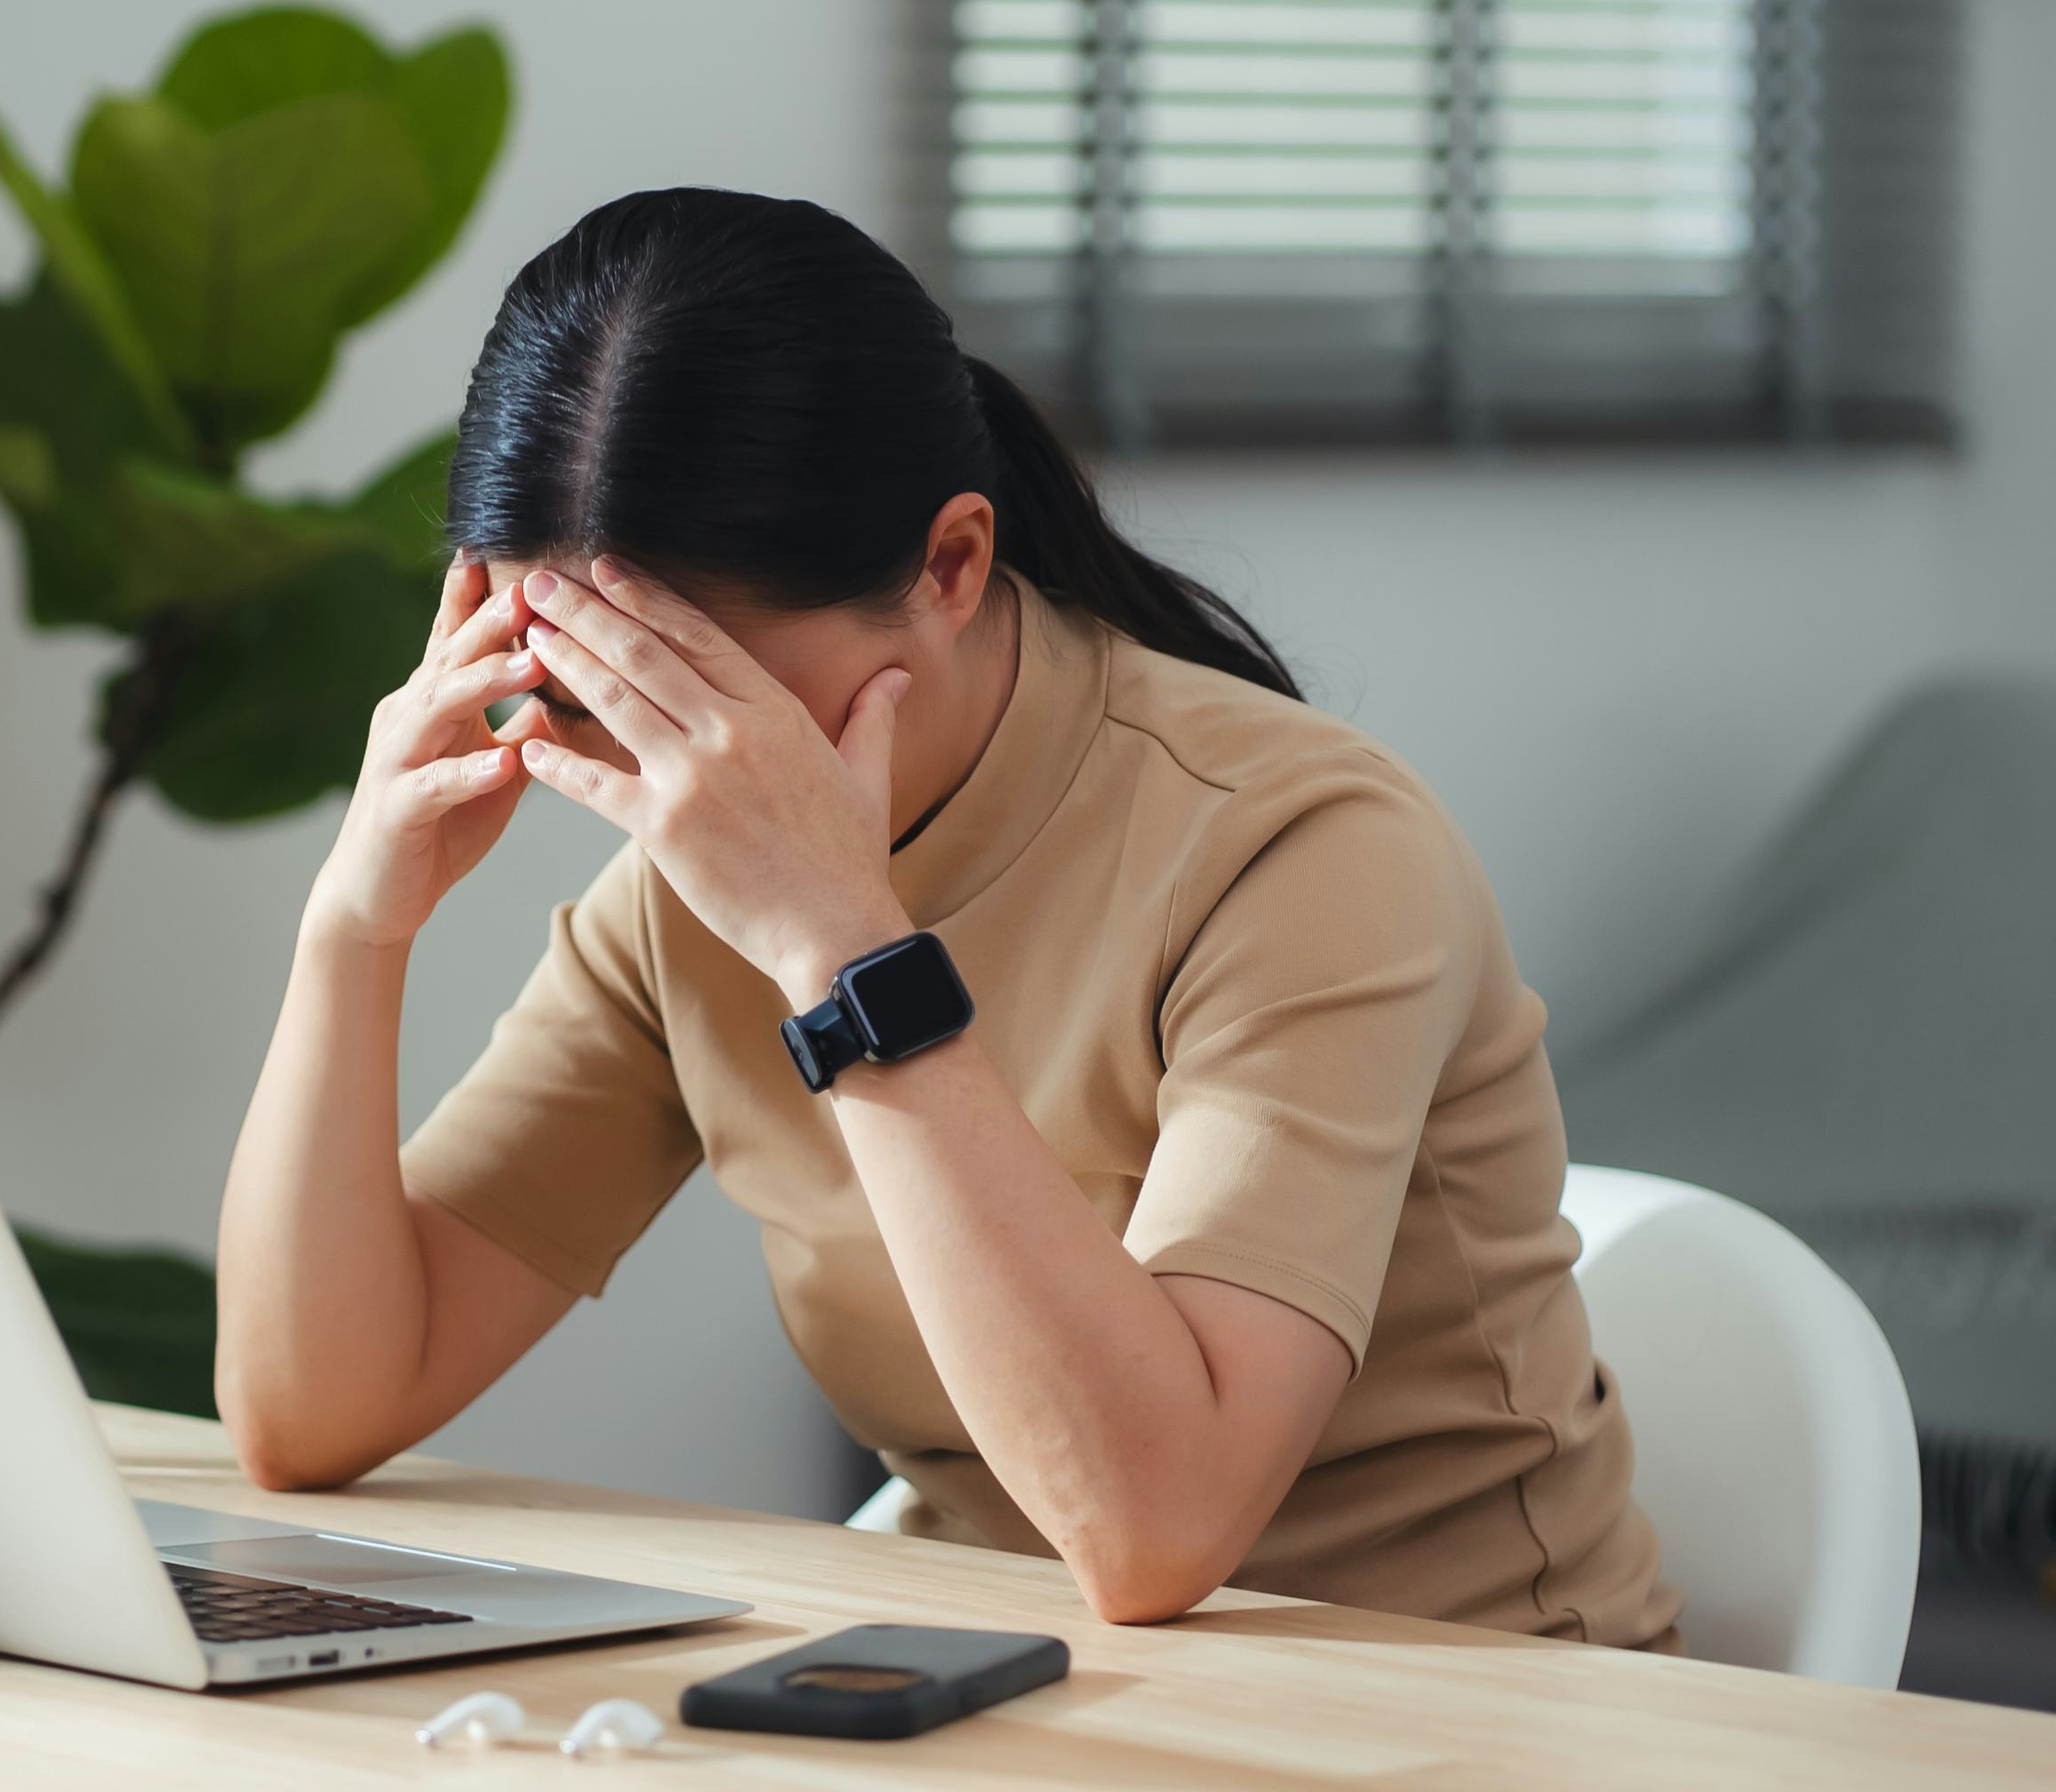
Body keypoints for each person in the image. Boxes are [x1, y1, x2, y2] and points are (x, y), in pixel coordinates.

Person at [215, 189, 1678, 1645]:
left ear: (953, 567)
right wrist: (358, 926)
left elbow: (1157, 1530)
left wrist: (844, 952)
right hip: (1002, 1680)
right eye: (583, 683)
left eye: (711, 697)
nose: (660, 765)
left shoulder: (1305, 852)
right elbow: (314, 1410)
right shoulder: (680, 901)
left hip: (1457, 1702)